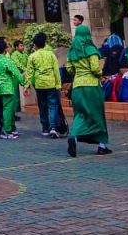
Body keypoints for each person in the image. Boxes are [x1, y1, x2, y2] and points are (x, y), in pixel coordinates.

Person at [64, 25, 111, 157]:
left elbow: (69, 69)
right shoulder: (91, 49)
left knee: (80, 114)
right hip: (91, 86)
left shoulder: (72, 52)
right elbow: (95, 69)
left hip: (77, 86)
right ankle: (102, 145)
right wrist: (101, 74)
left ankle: (73, 136)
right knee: (97, 114)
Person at [25, 31, 62, 138]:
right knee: (52, 106)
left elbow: (29, 72)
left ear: (35, 44)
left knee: (42, 106)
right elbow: (56, 71)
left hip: (39, 84)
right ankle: (53, 128)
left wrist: (26, 86)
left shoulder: (32, 56)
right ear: (45, 43)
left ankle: (45, 128)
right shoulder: (51, 55)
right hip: (51, 83)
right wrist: (58, 85)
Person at [0, 37, 24, 140]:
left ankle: (12, 128)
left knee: (6, 109)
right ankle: (7, 130)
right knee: (8, 110)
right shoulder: (7, 61)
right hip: (7, 88)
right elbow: (17, 74)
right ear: (5, 48)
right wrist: (25, 84)